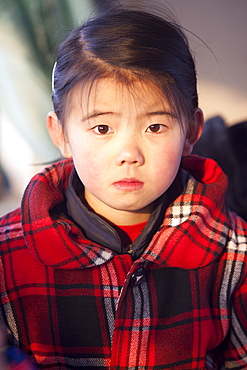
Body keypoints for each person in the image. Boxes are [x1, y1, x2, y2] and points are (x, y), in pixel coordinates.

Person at [1, 7, 247, 370]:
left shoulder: (233, 252)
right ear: (61, 134)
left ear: (192, 131)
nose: (129, 154)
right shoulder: (8, 256)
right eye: (102, 129)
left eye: (155, 127)